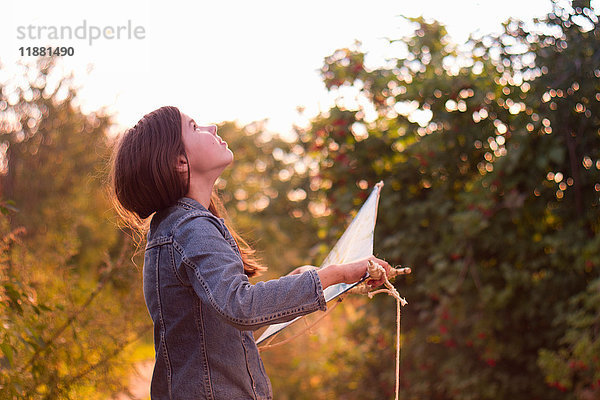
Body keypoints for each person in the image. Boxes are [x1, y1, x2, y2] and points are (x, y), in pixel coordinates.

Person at [110, 106, 392, 399]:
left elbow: (220, 330)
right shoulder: (191, 228)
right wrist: (338, 273)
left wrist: (305, 279)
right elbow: (242, 307)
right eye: (194, 127)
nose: (213, 128)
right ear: (180, 161)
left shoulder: (174, 227)